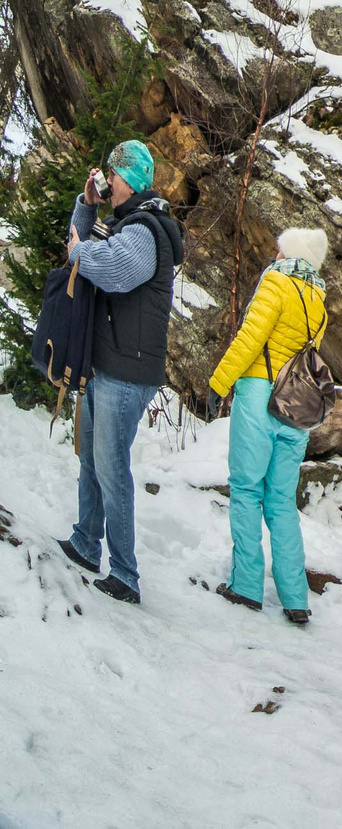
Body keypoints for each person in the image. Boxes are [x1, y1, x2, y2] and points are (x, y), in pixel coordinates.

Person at [54, 139, 182, 606]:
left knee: (111, 468)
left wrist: (79, 253)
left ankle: (125, 574)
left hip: (128, 372)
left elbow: (108, 268)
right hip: (106, 364)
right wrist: (85, 206)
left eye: (113, 173)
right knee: (91, 457)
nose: (108, 179)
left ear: (129, 179)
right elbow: (81, 244)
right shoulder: (122, 222)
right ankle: (87, 544)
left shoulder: (147, 230)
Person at [206, 227, 331, 624]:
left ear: (290, 253)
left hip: (260, 397)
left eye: (280, 248)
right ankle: (295, 597)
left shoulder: (276, 283)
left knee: (245, 489)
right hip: (294, 408)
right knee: (280, 502)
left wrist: (219, 382)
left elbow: (249, 338)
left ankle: (245, 585)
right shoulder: (319, 301)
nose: (275, 254)